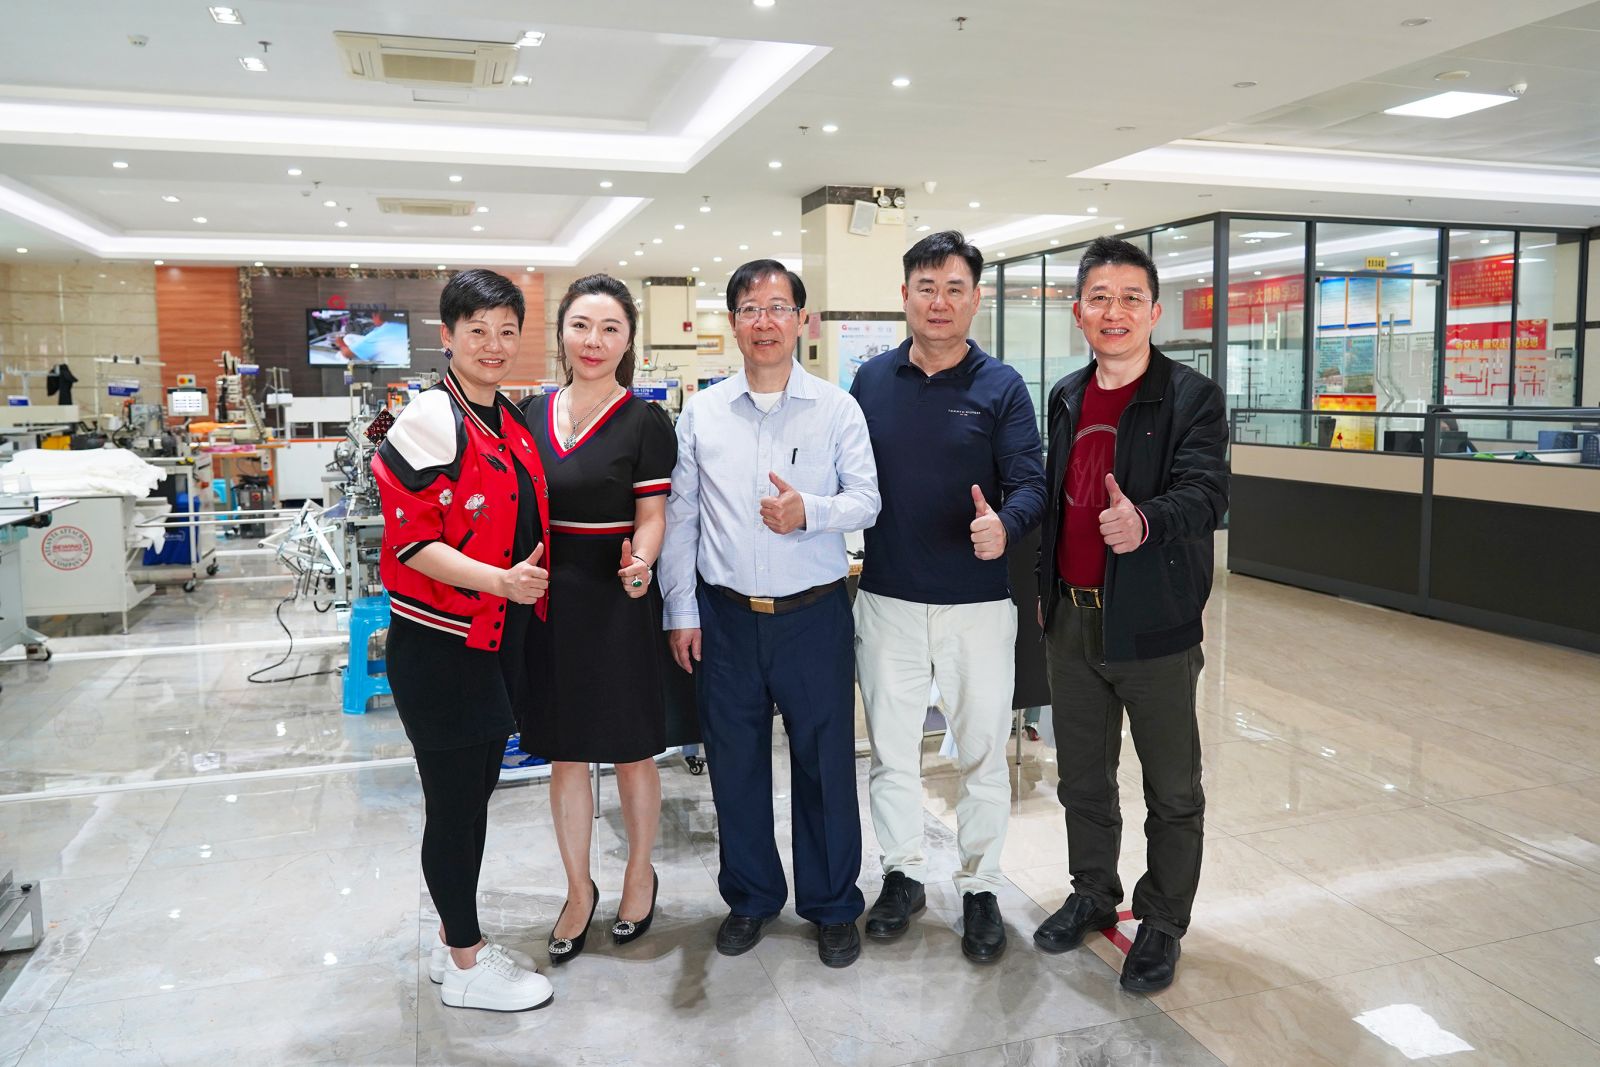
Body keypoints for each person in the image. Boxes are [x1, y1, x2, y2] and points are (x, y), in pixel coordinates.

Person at [660, 259, 881, 968]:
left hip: (813, 616)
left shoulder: (837, 409)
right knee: (734, 765)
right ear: (733, 323)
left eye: (779, 307)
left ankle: (832, 903)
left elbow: (867, 500)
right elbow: (683, 517)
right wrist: (680, 609)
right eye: (751, 309)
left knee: (825, 765)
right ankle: (752, 897)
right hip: (725, 618)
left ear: (802, 321)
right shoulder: (703, 414)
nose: (765, 321)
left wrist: (807, 511)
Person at [1032, 236, 1228, 994]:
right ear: (1078, 311)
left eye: (1130, 298)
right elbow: (1056, 497)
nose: (1114, 312)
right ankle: (1092, 892)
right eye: (1100, 298)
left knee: (1172, 790)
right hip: (1071, 620)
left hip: (1153, 624)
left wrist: (1145, 520)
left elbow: (1206, 494)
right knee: (1082, 778)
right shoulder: (1065, 395)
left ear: (1154, 311)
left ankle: (1163, 921)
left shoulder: (1191, 397)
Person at [848, 230, 1046, 963]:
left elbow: (1030, 482)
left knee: (983, 755)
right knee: (891, 753)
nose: (939, 301)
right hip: (887, 599)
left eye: (954, 288)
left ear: (975, 298)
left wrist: (1006, 524)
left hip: (978, 605)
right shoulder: (870, 381)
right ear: (904, 296)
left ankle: (981, 885)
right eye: (926, 288)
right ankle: (901, 876)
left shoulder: (1002, 386)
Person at [371, 268, 554, 1012]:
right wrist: (501, 581)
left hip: (492, 639)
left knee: (473, 797)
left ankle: (455, 945)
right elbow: (413, 545)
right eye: (477, 330)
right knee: (454, 806)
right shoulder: (430, 418)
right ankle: (468, 964)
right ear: (447, 336)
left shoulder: (507, 418)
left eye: (507, 330)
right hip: (441, 644)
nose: (493, 344)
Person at [516, 274, 677, 963]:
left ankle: (639, 873)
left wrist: (642, 563)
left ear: (628, 339)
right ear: (561, 332)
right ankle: (578, 890)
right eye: (581, 325)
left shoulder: (645, 421)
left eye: (610, 328)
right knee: (567, 751)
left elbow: (652, 514)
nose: (594, 340)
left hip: (618, 597)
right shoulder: (529, 413)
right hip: (548, 599)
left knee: (632, 749)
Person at [335, 308, 409, 365]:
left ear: (377, 315)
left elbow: (347, 354)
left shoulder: (380, 333)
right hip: (403, 361)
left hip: (389, 366)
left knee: (341, 356)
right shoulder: (401, 325)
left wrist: (340, 342)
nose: (372, 319)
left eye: (372, 316)